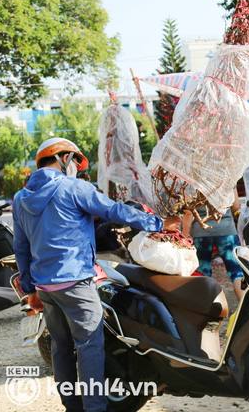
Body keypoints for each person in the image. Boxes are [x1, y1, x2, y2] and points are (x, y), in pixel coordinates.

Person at [13, 137, 180, 412]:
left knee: (62, 348)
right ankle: (95, 409)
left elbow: (21, 248)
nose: (77, 168)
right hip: (75, 282)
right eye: (76, 161)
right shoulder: (74, 188)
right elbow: (115, 210)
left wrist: (30, 290)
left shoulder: (21, 199)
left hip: (46, 287)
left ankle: (72, 406)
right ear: (64, 158)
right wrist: (159, 223)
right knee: (90, 346)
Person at [182, 189, 243, 300]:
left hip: (201, 232)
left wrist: (184, 237)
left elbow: (189, 212)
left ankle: (205, 309)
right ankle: (245, 307)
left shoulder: (192, 179)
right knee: (236, 272)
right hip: (227, 230)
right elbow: (235, 206)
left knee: (202, 272)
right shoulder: (229, 177)